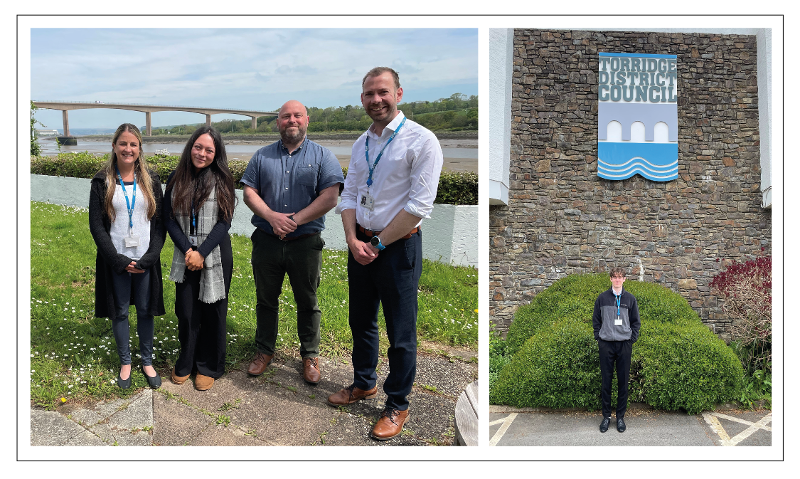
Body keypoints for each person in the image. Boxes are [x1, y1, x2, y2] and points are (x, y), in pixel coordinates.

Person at [328, 67, 443, 441]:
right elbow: (349, 195)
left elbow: (419, 205)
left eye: (383, 92)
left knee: (401, 331)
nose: (376, 100)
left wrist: (377, 244)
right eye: (368, 94)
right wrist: (352, 239)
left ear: (399, 93)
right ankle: (364, 383)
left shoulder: (422, 141)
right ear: (361, 98)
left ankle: (398, 404)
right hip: (359, 242)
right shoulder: (362, 142)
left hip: (397, 248)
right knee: (360, 321)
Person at [241, 100, 343, 384]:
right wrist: (272, 217)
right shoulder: (261, 157)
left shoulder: (324, 156)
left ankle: (310, 355)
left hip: (305, 243)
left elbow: (330, 197)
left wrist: (293, 220)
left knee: (307, 301)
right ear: (277, 122)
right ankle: (264, 351)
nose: (291, 120)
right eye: (286, 116)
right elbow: (250, 193)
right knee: (265, 299)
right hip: (266, 241)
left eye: (297, 115)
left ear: (307, 120)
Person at [89, 123, 165, 389]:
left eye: (133, 144)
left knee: (145, 311)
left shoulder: (152, 181)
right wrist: (118, 261)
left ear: (139, 148)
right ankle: (125, 362)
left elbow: (160, 224)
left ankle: (147, 360)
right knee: (120, 312)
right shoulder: (102, 181)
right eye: (123, 143)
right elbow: (96, 226)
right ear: (114, 146)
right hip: (117, 263)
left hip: (145, 261)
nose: (128, 149)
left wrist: (150, 257)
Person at [163, 126, 236, 391]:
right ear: (190, 147)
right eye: (198, 147)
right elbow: (168, 218)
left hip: (214, 253)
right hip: (185, 254)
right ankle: (187, 359)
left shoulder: (223, 179)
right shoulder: (175, 178)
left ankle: (209, 365)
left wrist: (202, 252)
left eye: (208, 150)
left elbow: (225, 221)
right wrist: (188, 251)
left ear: (216, 154)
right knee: (186, 310)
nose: (202, 153)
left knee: (213, 310)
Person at [592, 267, 641, 433]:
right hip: (606, 344)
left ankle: (620, 417)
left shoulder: (630, 299)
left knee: (623, 382)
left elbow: (636, 322)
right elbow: (596, 320)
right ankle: (606, 417)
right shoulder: (602, 298)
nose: (618, 280)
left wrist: (631, 339)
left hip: (624, 345)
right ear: (611, 279)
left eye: (620, 277)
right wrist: (598, 337)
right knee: (606, 381)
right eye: (615, 277)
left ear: (625, 279)